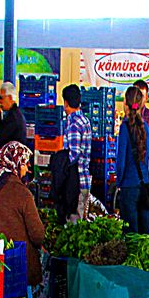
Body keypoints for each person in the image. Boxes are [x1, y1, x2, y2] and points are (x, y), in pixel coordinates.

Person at [0, 141, 46, 285]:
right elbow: (37, 234)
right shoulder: (22, 193)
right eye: (25, 164)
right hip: (17, 265)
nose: (27, 170)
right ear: (15, 163)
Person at [115, 86, 149, 234]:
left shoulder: (125, 127)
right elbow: (147, 155)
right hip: (143, 185)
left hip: (128, 186)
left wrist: (119, 182)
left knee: (130, 231)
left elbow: (121, 161)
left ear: (125, 103)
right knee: (145, 230)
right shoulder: (146, 127)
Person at [61, 84, 92, 218]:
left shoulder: (73, 124)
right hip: (84, 180)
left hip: (75, 183)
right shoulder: (85, 121)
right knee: (80, 221)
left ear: (66, 103)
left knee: (74, 223)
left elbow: (73, 154)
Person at [0, 82, 27, 153]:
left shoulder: (14, 118)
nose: (0, 101)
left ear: (10, 98)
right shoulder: (14, 114)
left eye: (1, 97)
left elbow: (1, 137)